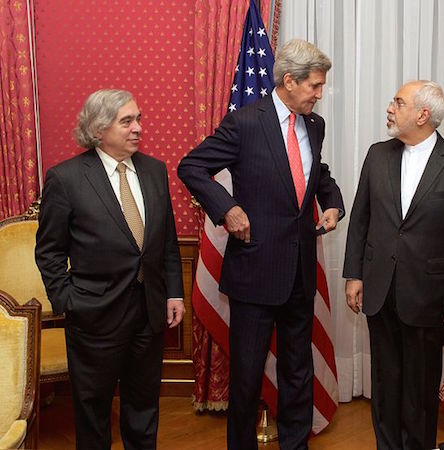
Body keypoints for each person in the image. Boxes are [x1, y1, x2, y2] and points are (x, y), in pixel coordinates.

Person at [177, 39, 344, 449]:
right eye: (315, 86)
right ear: (289, 80)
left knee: (297, 371)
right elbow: (191, 166)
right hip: (254, 272)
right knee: (247, 376)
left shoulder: (315, 125)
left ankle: (295, 444)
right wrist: (227, 208)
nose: (320, 95)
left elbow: (316, 173)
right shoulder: (245, 122)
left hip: (300, 271)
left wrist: (334, 204)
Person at [35, 89, 185, 450]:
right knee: (93, 411)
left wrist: (175, 291)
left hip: (148, 312)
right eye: (127, 121)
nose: (138, 128)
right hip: (93, 315)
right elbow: (49, 251)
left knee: (144, 406)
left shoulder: (154, 170)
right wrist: (68, 301)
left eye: (139, 119)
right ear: (99, 129)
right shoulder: (66, 179)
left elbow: (166, 240)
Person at [343, 80, 444, 450]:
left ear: (423, 114)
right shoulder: (377, 155)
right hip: (379, 291)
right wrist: (354, 274)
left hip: (431, 298)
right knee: (385, 385)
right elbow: (361, 218)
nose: (390, 108)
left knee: (419, 390)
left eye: (399, 102)